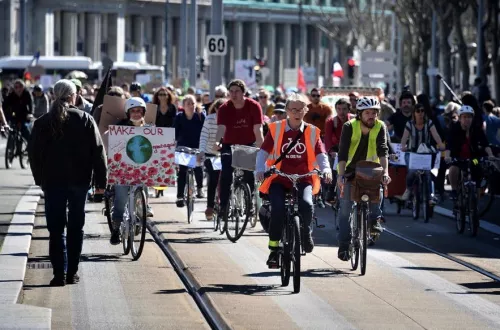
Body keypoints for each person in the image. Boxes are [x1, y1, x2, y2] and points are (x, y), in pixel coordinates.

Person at [28, 79, 107, 286]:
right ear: (73, 96)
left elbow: (34, 155)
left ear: (54, 96)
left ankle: (58, 274)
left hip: (53, 182)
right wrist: (101, 182)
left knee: (55, 230)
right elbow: (98, 153)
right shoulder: (85, 119)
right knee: (75, 227)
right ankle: (72, 272)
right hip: (79, 182)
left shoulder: (42, 122)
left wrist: (40, 179)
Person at [256, 93, 332, 267]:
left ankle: (305, 233)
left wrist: (326, 169)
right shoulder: (276, 129)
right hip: (279, 178)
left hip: (304, 178)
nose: (297, 113)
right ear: (287, 111)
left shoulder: (312, 131)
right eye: (293, 109)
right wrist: (260, 169)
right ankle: (274, 250)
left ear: (305, 110)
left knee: (306, 204)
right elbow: (263, 153)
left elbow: (321, 154)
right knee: (277, 209)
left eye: (300, 109)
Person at [336, 96, 390, 261]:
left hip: (371, 170)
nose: (371, 116)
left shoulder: (380, 126)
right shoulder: (349, 126)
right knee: (345, 209)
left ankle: (374, 221)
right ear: (359, 114)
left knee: (378, 195)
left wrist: (385, 172)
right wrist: (341, 175)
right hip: (351, 170)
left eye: (374, 112)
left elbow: (383, 151)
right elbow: (343, 153)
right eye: (367, 112)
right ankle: (345, 246)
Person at [108, 97, 155, 245]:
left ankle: (144, 208)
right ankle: (116, 230)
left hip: (142, 169)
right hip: (123, 170)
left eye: (139, 111)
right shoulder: (119, 127)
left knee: (144, 189)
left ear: (144, 112)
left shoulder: (151, 129)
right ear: (128, 113)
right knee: (121, 199)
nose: (136, 113)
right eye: (133, 111)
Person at [216, 79, 264, 216]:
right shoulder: (224, 108)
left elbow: (258, 129)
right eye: (231, 91)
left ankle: (249, 205)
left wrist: (262, 147)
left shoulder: (253, 106)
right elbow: (221, 129)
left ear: (243, 93)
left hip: (248, 144)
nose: (233, 94)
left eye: (237, 91)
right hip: (229, 145)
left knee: (248, 174)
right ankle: (224, 206)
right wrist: (217, 142)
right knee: (226, 174)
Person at [445, 105, 495, 200]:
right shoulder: (454, 129)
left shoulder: (476, 129)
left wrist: (490, 155)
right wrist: (448, 156)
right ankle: (454, 190)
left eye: (469, 117)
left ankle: (477, 193)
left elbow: (485, 144)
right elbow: (449, 145)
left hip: (473, 159)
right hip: (459, 158)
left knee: (479, 167)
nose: (467, 119)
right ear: (459, 118)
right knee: (453, 168)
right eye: (464, 117)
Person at [400, 103, 445, 202]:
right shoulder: (409, 124)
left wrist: (440, 144)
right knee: (411, 172)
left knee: (429, 173)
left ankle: (430, 195)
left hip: (426, 153)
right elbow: (404, 138)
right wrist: (403, 146)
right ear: (414, 113)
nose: (420, 113)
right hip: (412, 153)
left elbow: (436, 135)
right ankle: (408, 189)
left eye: (422, 111)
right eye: (418, 111)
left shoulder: (429, 123)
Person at [198, 98, 227, 220]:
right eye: (219, 109)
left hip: (224, 153)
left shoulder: (229, 119)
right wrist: (202, 152)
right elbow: (204, 136)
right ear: (215, 109)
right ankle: (210, 206)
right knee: (213, 179)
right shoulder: (209, 119)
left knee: (226, 179)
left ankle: (225, 205)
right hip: (211, 153)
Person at [175, 94, 206, 206]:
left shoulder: (200, 116)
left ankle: (199, 189)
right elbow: (174, 133)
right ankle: (179, 196)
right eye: (188, 103)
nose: (191, 105)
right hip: (182, 148)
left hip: (197, 147)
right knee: (182, 171)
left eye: (193, 103)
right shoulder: (179, 117)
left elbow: (205, 132)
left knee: (198, 167)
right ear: (183, 106)